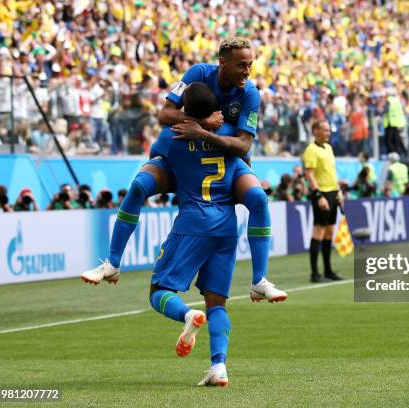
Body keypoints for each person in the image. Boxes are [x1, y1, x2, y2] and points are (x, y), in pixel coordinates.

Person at [82, 38, 283, 303]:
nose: (247, 71)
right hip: (181, 157)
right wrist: (202, 123)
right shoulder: (198, 73)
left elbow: (244, 143)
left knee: (258, 198)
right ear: (222, 62)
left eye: (250, 65)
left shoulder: (250, 94)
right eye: (241, 65)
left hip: (225, 161)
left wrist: (203, 132)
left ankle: (259, 281)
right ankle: (113, 263)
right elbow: (164, 115)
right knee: (139, 186)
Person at [148, 83, 253, 387]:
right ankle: (218, 367)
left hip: (193, 222)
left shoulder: (172, 136)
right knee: (217, 304)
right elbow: (244, 158)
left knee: (158, 291)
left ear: (183, 109)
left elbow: (155, 162)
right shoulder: (228, 137)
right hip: (226, 226)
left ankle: (185, 316)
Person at [304, 120, 344, 283]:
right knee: (319, 231)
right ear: (315, 131)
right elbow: (310, 175)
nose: (328, 133)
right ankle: (315, 273)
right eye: (325, 130)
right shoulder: (311, 150)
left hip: (333, 193)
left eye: (329, 130)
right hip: (322, 194)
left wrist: (339, 191)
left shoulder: (328, 148)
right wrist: (318, 195)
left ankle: (328, 270)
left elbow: (332, 172)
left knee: (329, 232)